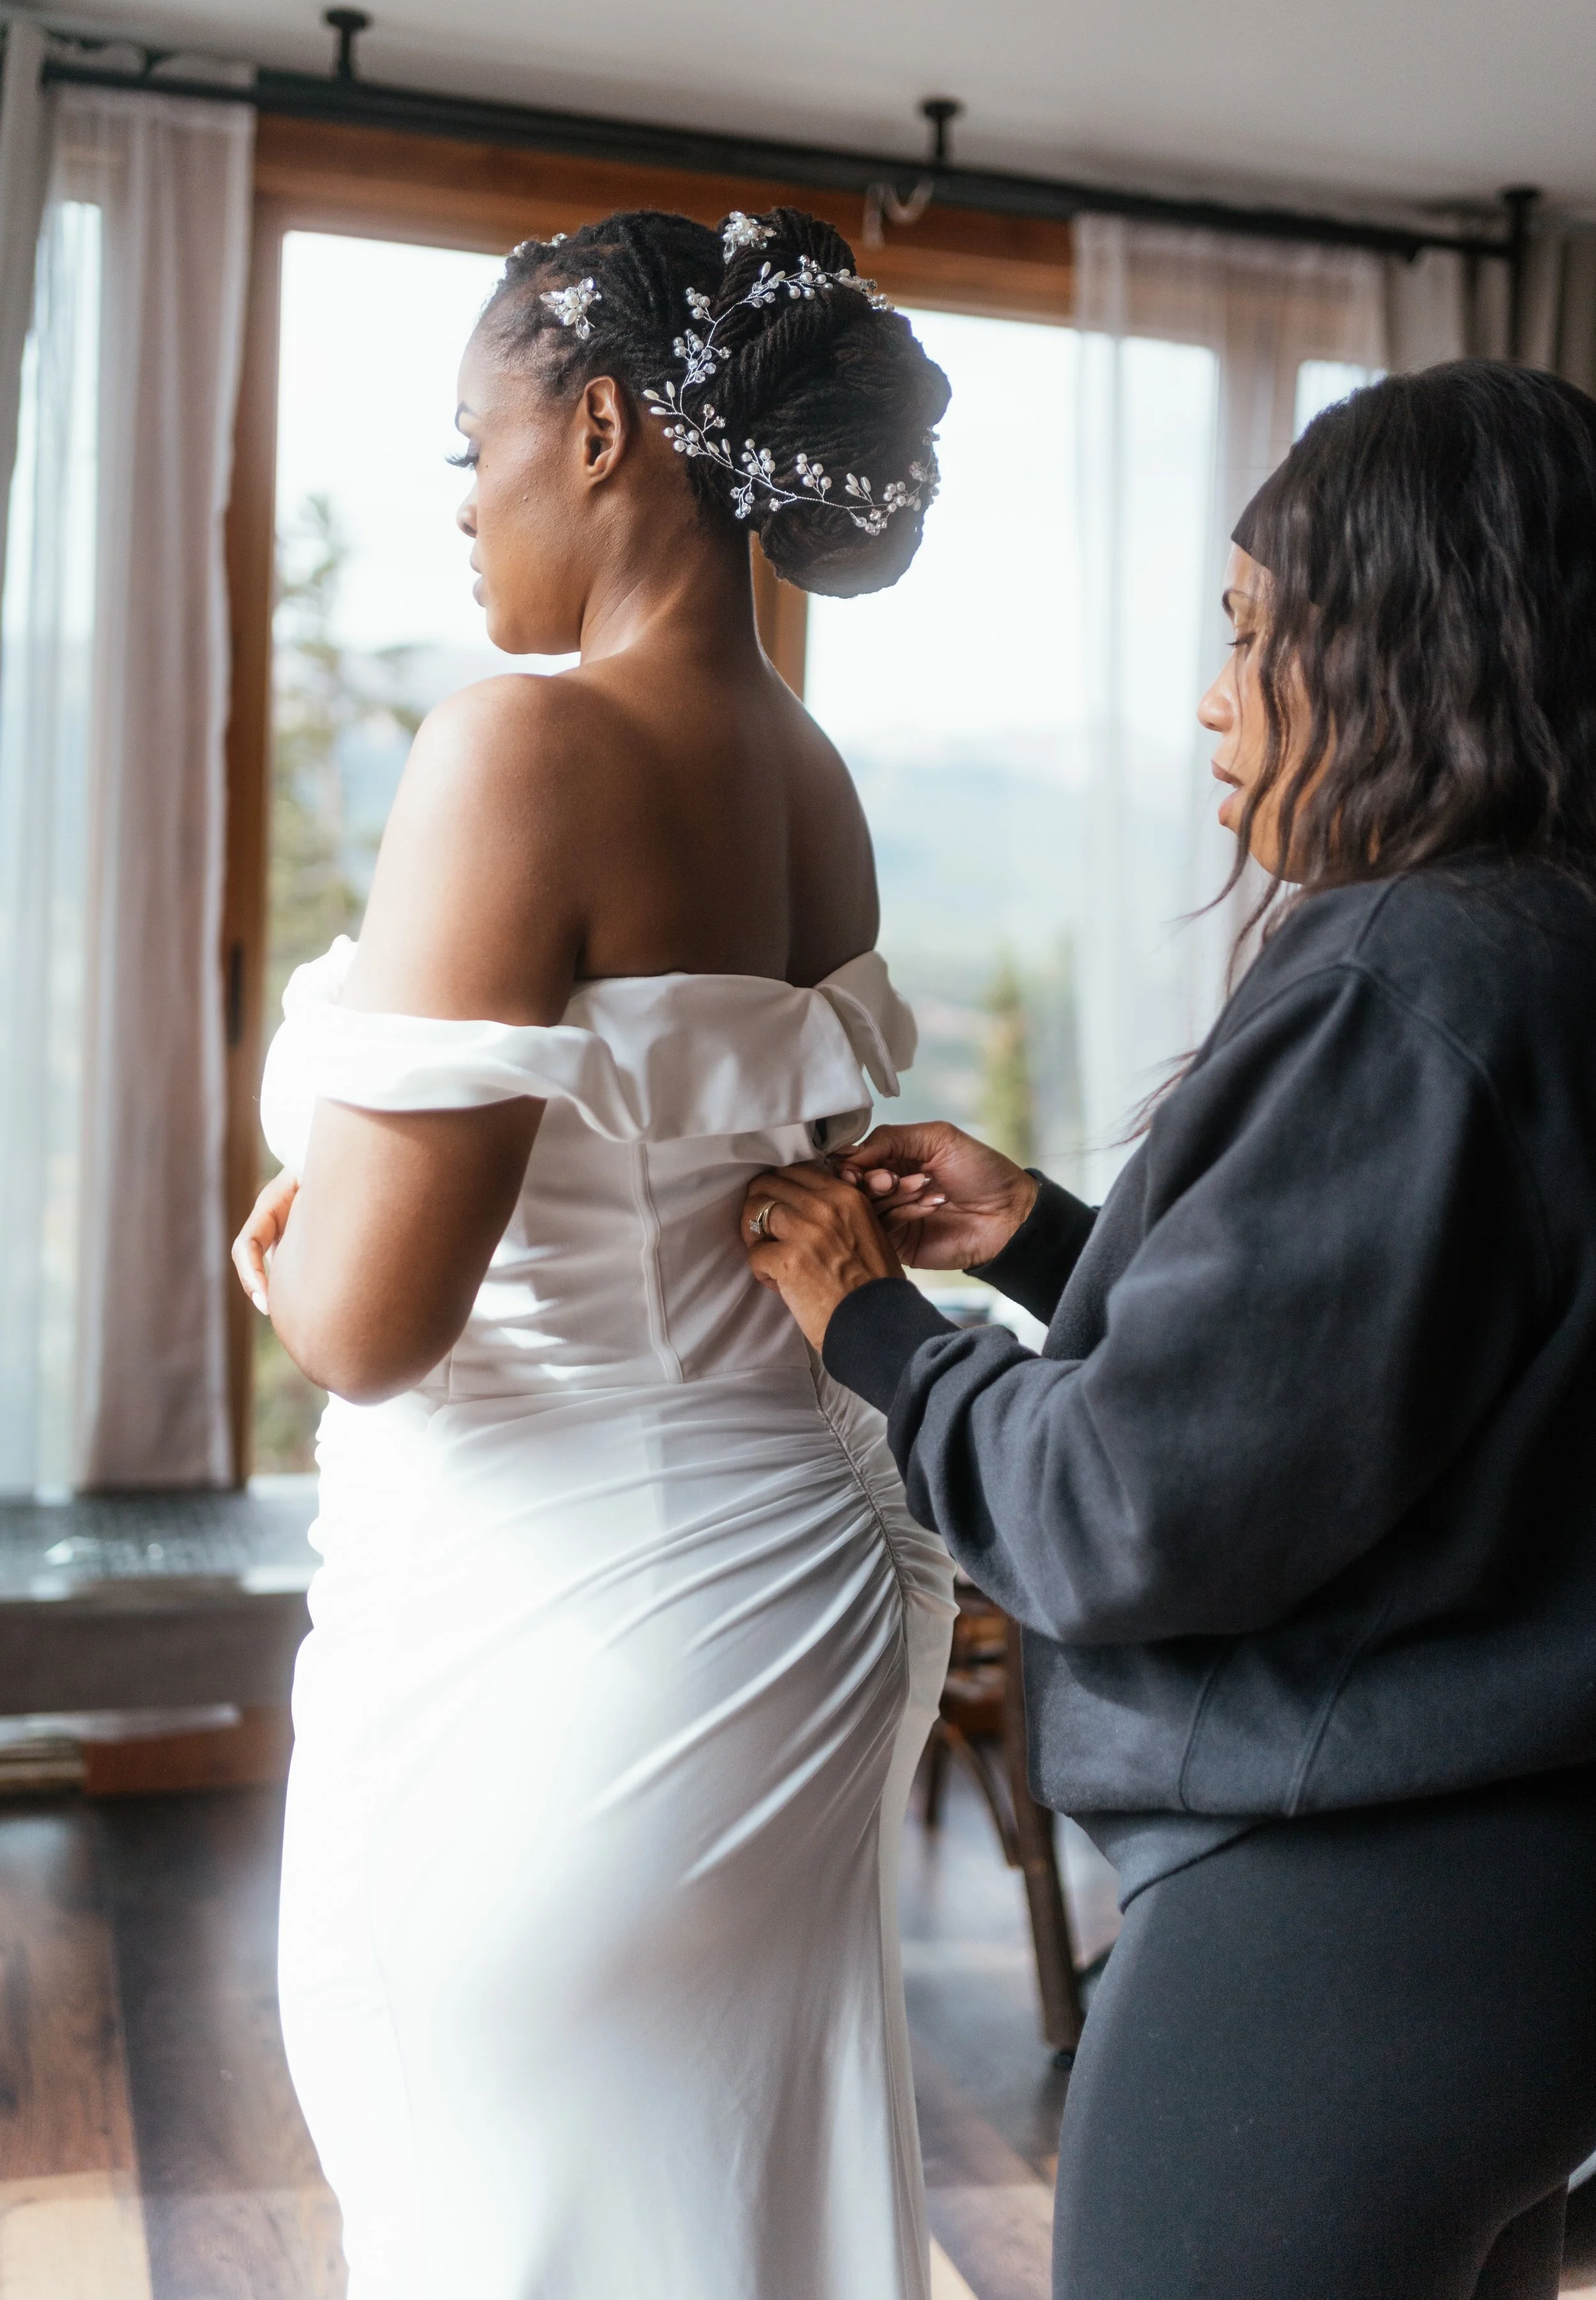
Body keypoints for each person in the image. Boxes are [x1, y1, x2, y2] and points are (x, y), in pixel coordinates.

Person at [741, 361, 1596, 2299]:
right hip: (1515, 1913)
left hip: (1345, 1920)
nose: (1215, 699)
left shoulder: (1413, 968)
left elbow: (1125, 1510)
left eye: (1249, 633)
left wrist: (875, 1330)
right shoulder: (1546, 949)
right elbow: (1414, 1381)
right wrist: (1045, 1239)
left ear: (1413, 641)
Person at [230, 206, 956, 2300]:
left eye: (476, 446)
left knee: (517, 2220)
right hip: (800, 1590)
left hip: (570, 1635)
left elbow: (370, 1323)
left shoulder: (521, 743)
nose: (461, 506)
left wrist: (287, 1251)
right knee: (722, 2204)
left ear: (608, 427)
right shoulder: (808, 777)